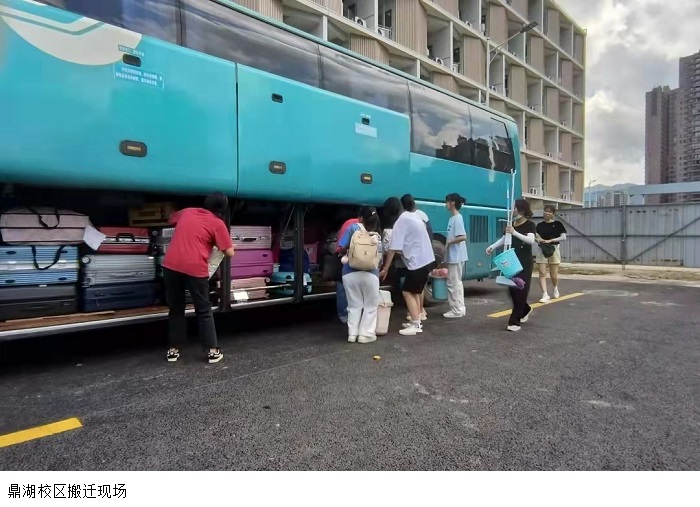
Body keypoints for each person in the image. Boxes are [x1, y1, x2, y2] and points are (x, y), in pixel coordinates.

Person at [162, 192, 235, 363]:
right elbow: (229, 252)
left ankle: (173, 350)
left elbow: (170, 219)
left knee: (176, 307)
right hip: (195, 268)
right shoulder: (218, 223)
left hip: (171, 265)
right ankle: (212, 351)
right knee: (203, 309)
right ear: (223, 209)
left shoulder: (187, 212)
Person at [380, 198, 435, 336]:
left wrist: (385, 268)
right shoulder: (413, 216)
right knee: (414, 291)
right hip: (426, 260)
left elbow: (393, 248)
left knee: (407, 292)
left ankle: (415, 324)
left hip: (417, 262)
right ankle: (416, 320)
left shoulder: (401, 221)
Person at [486, 199, 536, 332]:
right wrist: (492, 246)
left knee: (521, 289)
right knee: (512, 289)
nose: (512, 211)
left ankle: (514, 321)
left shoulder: (530, 225)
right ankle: (525, 309)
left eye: (514, 208)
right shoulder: (510, 224)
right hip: (511, 259)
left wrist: (515, 232)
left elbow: (531, 240)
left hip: (524, 260)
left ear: (521, 210)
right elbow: (504, 239)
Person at [337, 207, 383, 344]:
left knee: (353, 305)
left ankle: (352, 334)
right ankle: (366, 334)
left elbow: (341, 247)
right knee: (370, 306)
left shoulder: (352, 228)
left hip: (350, 273)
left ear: (361, 218)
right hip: (371, 274)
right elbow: (380, 257)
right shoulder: (377, 234)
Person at [399, 194, 434, 323]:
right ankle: (420, 312)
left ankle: (417, 315)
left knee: (412, 290)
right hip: (426, 255)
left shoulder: (409, 217)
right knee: (419, 288)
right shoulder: (421, 215)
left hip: (418, 257)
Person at [535, 205, 567, 303]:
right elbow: (536, 236)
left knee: (553, 275)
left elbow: (563, 237)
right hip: (542, 249)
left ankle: (555, 288)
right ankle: (545, 294)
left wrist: (551, 240)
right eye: (545, 211)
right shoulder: (539, 225)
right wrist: (539, 240)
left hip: (554, 249)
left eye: (549, 211)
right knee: (542, 272)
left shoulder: (558, 224)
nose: (546, 213)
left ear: (553, 214)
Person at [443, 193, 468, 319]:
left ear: (452, 202)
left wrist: (449, 242)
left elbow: (463, 237)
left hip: (456, 255)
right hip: (455, 255)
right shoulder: (453, 218)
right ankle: (460, 308)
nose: (445, 204)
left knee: (453, 283)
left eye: (447, 201)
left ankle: (456, 309)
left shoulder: (457, 218)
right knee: (456, 282)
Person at [334, 211, 360, 324]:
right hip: (365, 264)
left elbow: (340, 246)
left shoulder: (350, 224)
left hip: (347, 262)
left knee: (342, 288)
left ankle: (344, 315)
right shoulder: (372, 226)